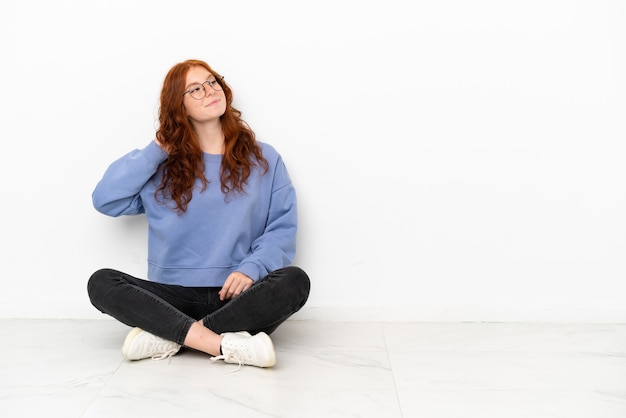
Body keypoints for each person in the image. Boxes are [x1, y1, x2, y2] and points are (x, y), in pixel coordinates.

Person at [87, 59, 310, 368]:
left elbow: (282, 228)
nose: (209, 91)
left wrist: (252, 268)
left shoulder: (264, 159)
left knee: (295, 281)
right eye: (195, 89)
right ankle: (222, 343)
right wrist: (157, 149)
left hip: (237, 298)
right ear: (179, 107)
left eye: (212, 82)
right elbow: (105, 200)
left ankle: (172, 335)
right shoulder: (160, 166)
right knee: (101, 283)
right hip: (171, 297)